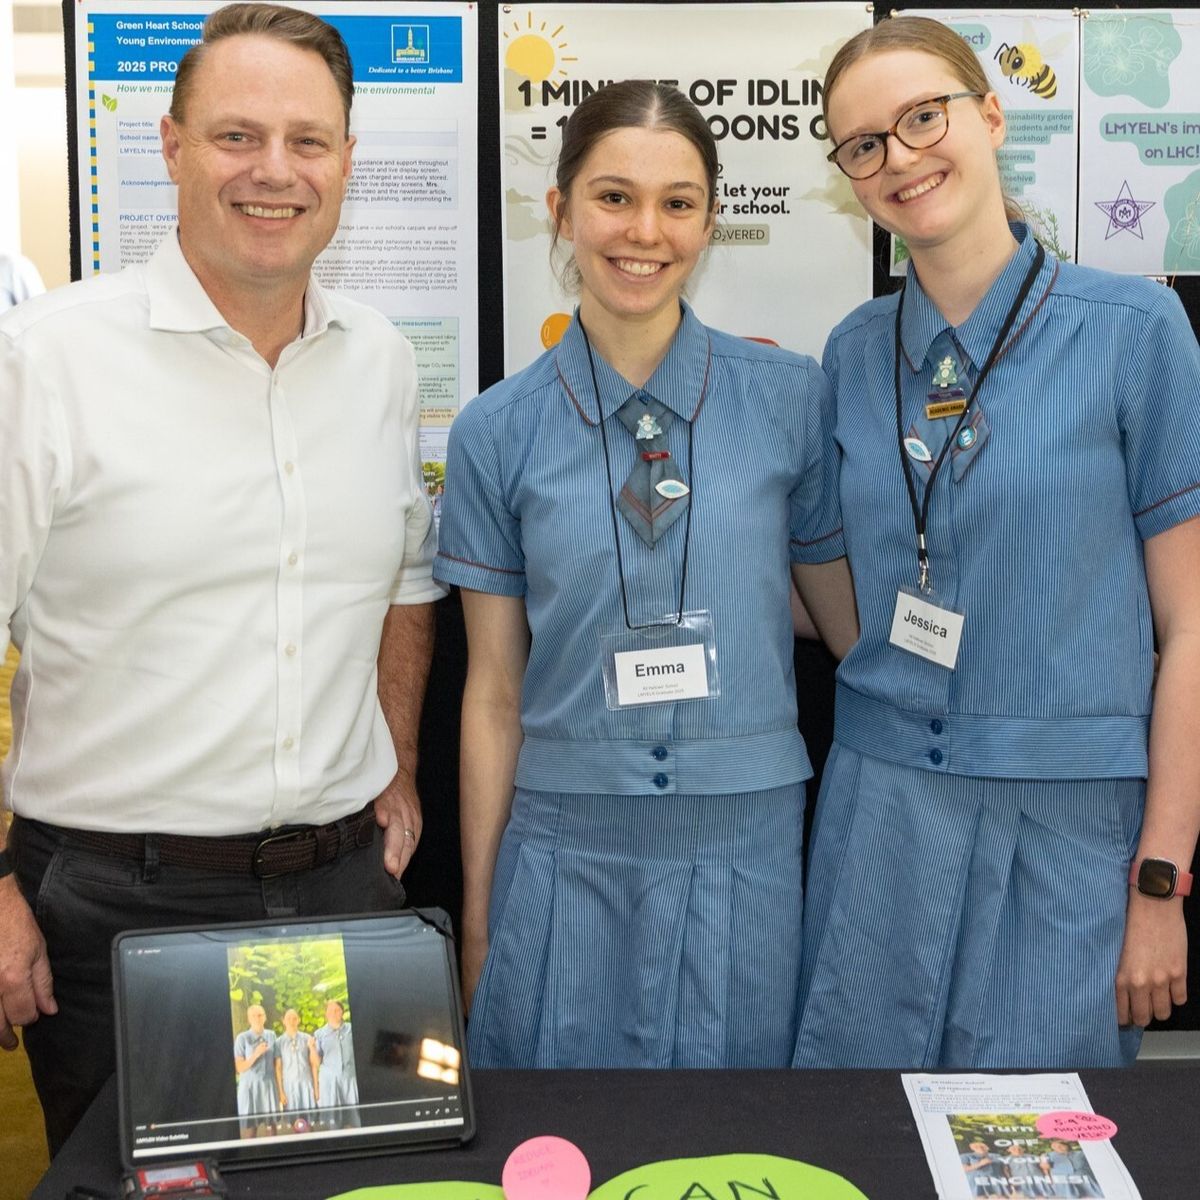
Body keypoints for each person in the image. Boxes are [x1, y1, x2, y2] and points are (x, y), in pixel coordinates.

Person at [0, 3, 442, 1154]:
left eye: (308, 141)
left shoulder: (381, 362)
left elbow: (405, 579)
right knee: (137, 1184)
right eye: (238, 135)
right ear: (173, 147)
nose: (274, 171)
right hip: (117, 907)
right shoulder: (47, 363)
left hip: (341, 888)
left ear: (346, 161)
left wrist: (397, 763)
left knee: (339, 1178)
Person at [793, 14, 1200, 1072]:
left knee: (1035, 1141)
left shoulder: (1135, 332)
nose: (900, 157)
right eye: (864, 144)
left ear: (990, 115)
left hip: (1066, 830)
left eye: (923, 117)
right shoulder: (851, 355)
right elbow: (834, 586)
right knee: (853, 1131)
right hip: (880, 819)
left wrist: (1161, 880)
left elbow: (1192, 625)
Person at [434, 80, 856, 1069]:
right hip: (563, 840)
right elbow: (492, 693)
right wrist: (481, 915)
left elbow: (845, 627)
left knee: (738, 1119)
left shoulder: (792, 400)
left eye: (677, 203)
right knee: (561, 1125)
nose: (645, 231)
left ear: (710, 221)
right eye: (614, 197)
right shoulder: (496, 431)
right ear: (561, 209)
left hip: (745, 838)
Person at [234, 1004, 278, 1136]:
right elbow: (240, 1067)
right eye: (253, 1016)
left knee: (272, 1128)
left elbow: (276, 1063)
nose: (257, 1018)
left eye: (260, 1015)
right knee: (251, 1130)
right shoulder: (242, 1038)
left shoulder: (272, 1035)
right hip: (250, 1087)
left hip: (269, 1086)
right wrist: (256, 1054)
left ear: (265, 1017)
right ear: (249, 1019)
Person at [313, 999, 358, 1123]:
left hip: (351, 1079)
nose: (333, 1013)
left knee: (356, 1118)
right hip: (330, 1082)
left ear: (342, 1011)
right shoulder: (319, 1034)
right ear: (326, 1014)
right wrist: (311, 1048)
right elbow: (317, 1063)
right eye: (330, 1011)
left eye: (337, 1010)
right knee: (335, 1121)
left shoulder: (351, 1029)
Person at [274, 1007, 318, 1119]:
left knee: (309, 1121)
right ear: (283, 1021)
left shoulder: (307, 1038)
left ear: (299, 1020)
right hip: (289, 1087)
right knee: (294, 1122)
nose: (291, 1021)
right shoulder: (279, 1042)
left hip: (307, 1084)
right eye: (288, 1018)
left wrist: (316, 1088)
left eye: (294, 1018)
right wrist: (281, 1092)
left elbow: (314, 1065)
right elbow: (278, 1068)